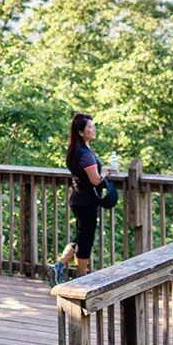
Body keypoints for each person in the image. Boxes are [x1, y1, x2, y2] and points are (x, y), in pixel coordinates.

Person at [49, 112, 111, 284]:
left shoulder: (75, 151)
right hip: (86, 201)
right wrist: (105, 172)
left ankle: (58, 266)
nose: (93, 129)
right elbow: (95, 180)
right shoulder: (84, 154)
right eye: (90, 127)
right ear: (81, 132)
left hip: (78, 198)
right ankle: (81, 280)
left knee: (80, 237)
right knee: (86, 240)